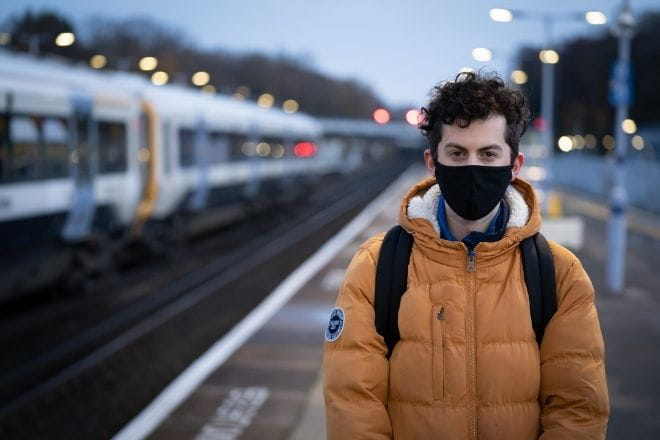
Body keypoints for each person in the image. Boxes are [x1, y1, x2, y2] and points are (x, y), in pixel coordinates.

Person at [323, 71, 609, 439]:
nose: (473, 167)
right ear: (432, 162)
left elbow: (578, 409)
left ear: (514, 166)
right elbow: (352, 404)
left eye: (488, 154)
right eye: (457, 153)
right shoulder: (378, 265)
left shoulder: (558, 273)